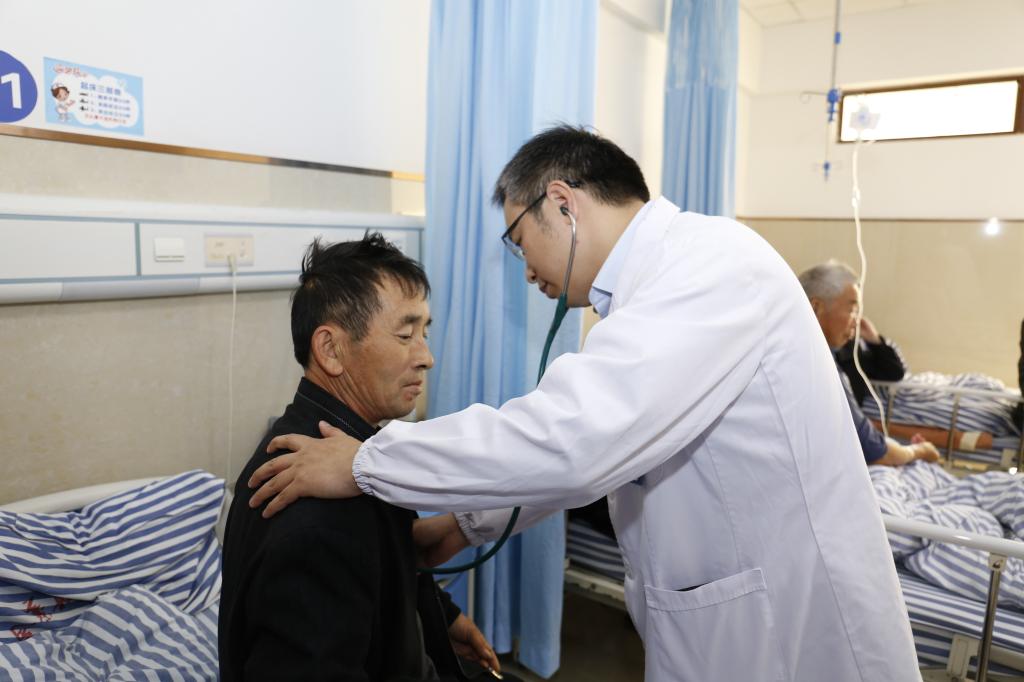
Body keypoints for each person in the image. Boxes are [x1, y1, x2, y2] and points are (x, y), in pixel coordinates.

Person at [245, 126, 920, 681]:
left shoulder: (711, 267)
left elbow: (576, 443)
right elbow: (604, 444)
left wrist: (365, 463)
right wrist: (464, 522)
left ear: (563, 204)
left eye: (519, 241)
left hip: (789, 627)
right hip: (738, 614)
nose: (526, 269)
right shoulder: (657, 292)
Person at [218, 234, 501, 681]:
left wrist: (441, 617)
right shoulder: (320, 517)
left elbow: (376, 571)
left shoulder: (351, 452)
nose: (427, 357)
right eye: (405, 335)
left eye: (425, 333)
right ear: (331, 349)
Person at [800, 261, 940, 467]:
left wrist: (874, 340)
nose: (856, 320)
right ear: (816, 308)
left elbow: (894, 372)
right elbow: (877, 452)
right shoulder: (822, 369)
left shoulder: (804, 351)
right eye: (851, 309)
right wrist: (921, 451)